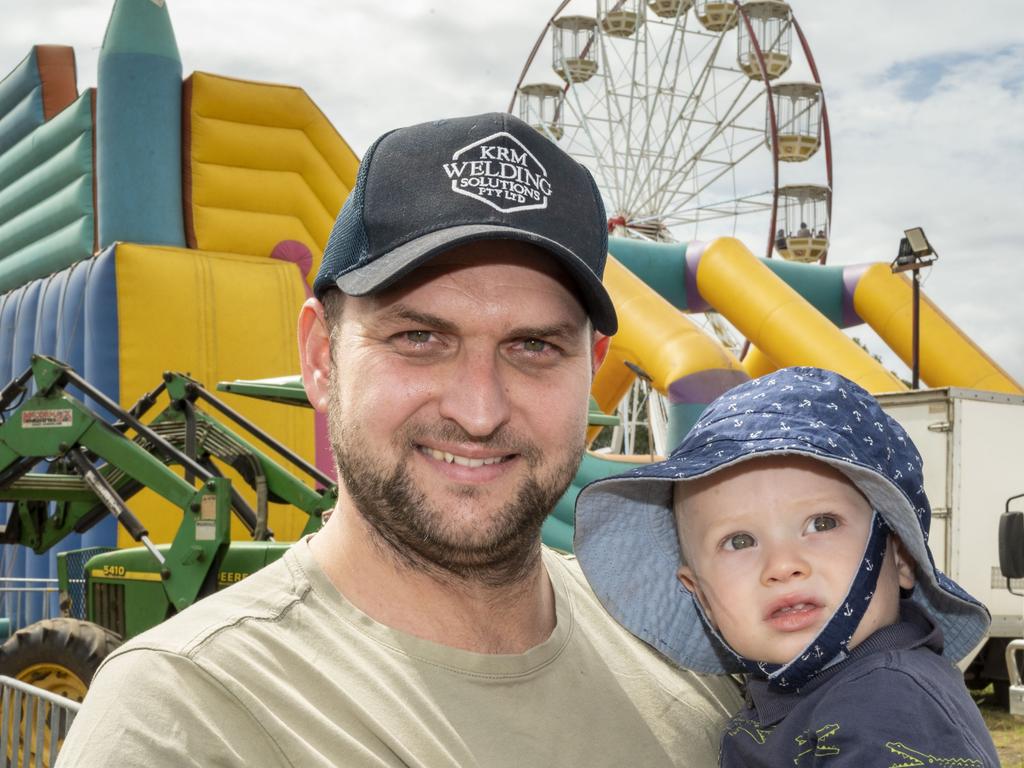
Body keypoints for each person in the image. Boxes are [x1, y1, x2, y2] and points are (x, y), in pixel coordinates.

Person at [56, 112, 741, 767]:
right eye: (420, 338)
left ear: (590, 370)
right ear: (321, 357)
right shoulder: (187, 716)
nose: (479, 410)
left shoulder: (691, 651)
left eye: (532, 346)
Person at [574, 367, 999, 767]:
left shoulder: (892, 705)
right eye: (739, 541)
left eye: (822, 523)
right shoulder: (800, 693)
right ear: (698, 592)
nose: (782, 566)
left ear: (901, 556)